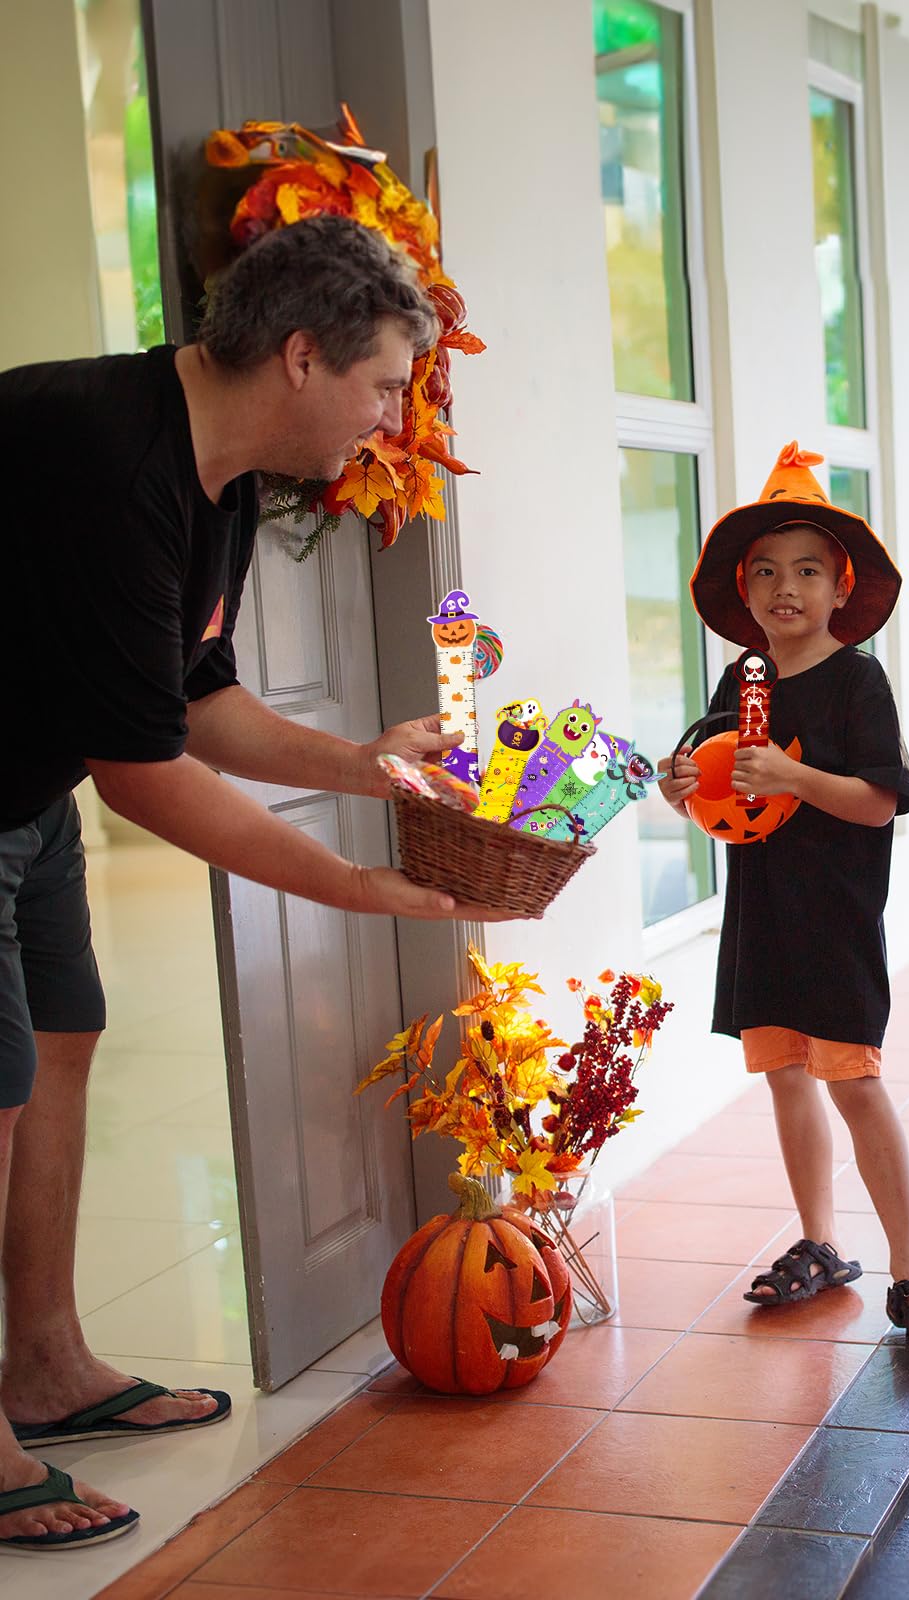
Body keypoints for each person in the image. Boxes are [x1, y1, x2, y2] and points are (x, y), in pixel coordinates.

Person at [0, 215, 511, 1552]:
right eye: (385, 385)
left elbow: (191, 700)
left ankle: (46, 1368)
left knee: (60, 1044)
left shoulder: (217, 474)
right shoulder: (105, 459)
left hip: (20, 784)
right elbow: (145, 774)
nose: (393, 418)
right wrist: (358, 891)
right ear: (300, 356)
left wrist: (370, 770)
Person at [657, 443, 909, 1363]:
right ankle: (822, 1241)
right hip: (762, 915)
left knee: (853, 1083)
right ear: (742, 592)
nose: (783, 587)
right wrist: (684, 784)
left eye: (806, 571)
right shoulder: (742, 680)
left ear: (840, 588)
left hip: (833, 916)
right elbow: (720, 786)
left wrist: (793, 772)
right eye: (764, 572)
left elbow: (880, 801)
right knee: (785, 1075)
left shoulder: (857, 679)